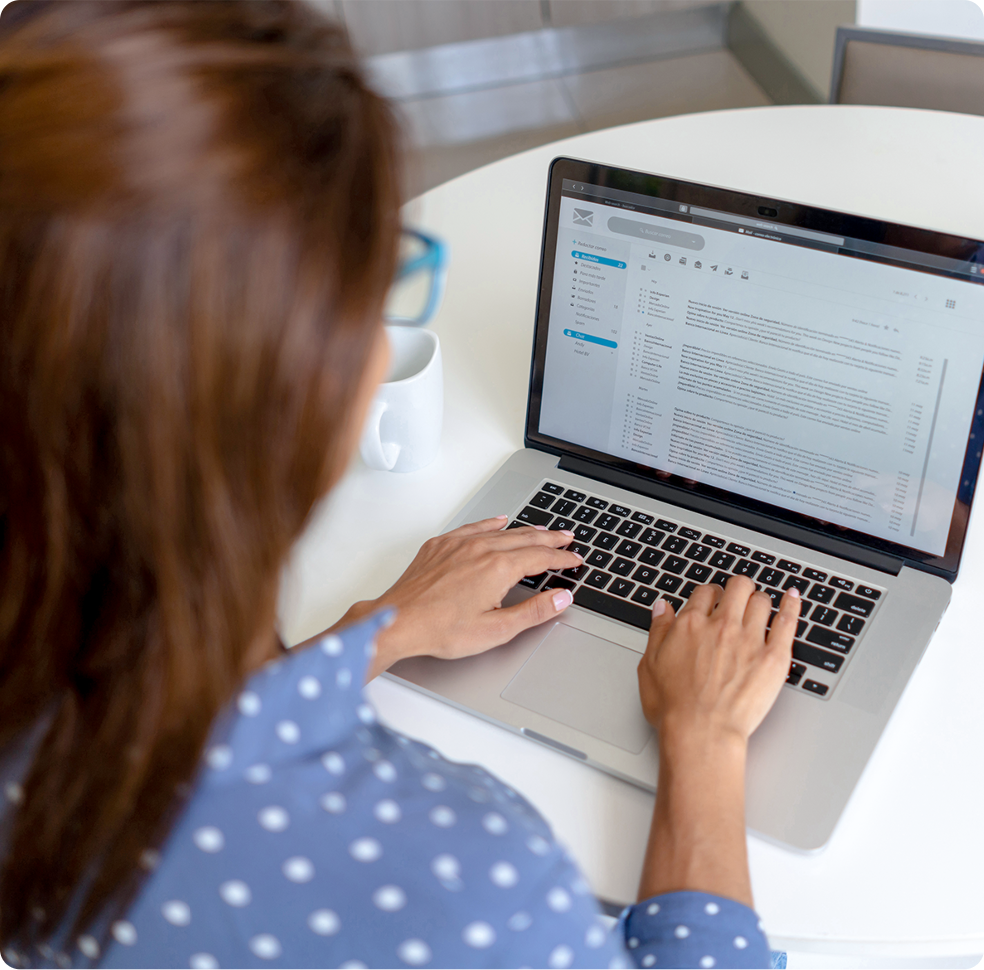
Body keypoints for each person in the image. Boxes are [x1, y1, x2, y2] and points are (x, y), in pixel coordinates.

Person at [0, 3, 800, 968]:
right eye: (372, 291)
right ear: (287, 407)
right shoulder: (459, 884)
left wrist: (376, 633)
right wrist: (706, 743)